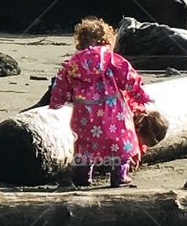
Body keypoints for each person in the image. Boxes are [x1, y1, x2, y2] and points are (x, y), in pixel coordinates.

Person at [49, 16, 153, 187]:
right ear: (107, 41)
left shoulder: (73, 64)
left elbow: (61, 84)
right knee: (120, 143)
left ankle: (82, 176)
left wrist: (57, 102)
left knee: (84, 143)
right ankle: (119, 176)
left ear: (80, 43)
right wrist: (140, 95)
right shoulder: (113, 60)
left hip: (84, 113)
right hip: (113, 113)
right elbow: (129, 77)